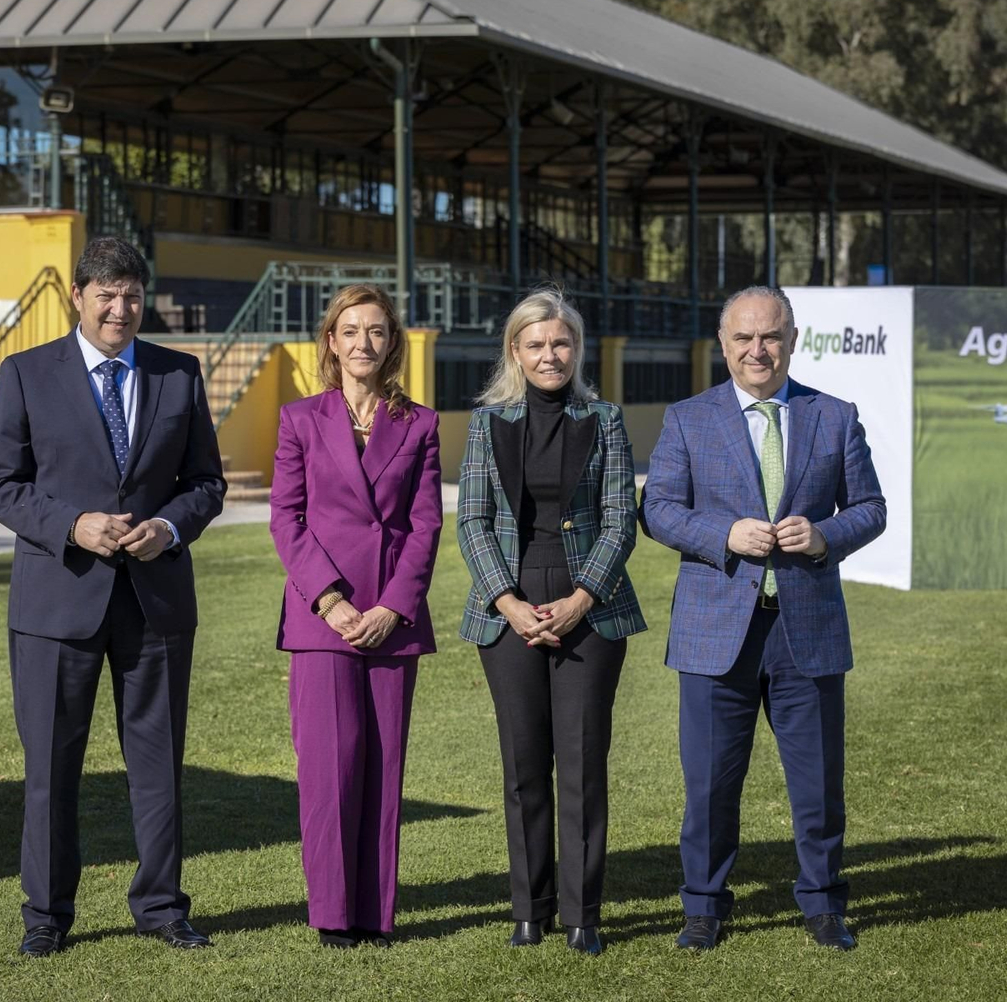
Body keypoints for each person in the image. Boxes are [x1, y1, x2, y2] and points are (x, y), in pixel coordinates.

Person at [0, 236, 227, 958]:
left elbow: (205, 483)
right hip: (58, 603)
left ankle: (161, 906)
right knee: (52, 768)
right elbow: (0, 483)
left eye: (132, 295)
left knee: (158, 764)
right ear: (77, 298)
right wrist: (72, 525)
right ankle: (47, 917)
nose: (121, 308)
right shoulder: (26, 374)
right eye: (107, 294)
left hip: (155, 604)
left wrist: (169, 527)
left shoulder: (179, 374)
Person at [639, 285, 886, 953]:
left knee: (818, 784)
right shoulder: (688, 419)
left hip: (807, 628)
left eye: (771, 336)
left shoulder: (834, 416)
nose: (758, 350)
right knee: (711, 784)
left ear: (793, 340)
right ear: (723, 344)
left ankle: (824, 903)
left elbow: (871, 506)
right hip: (715, 629)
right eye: (744, 338)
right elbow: (657, 507)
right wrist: (724, 533)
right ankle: (704, 906)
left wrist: (826, 535)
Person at [456, 289, 645, 957]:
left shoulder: (607, 419)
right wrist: (507, 602)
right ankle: (529, 910)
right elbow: (472, 521)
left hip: (588, 611)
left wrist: (581, 597)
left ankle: (581, 914)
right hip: (508, 610)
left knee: (583, 764)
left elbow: (622, 519)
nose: (549, 355)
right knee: (524, 765)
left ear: (576, 348)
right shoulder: (487, 425)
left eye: (560, 343)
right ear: (515, 350)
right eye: (535, 344)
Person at [269, 284, 443, 949]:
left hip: (391, 619)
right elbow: (287, 518)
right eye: (351, 330)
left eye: (376, 331)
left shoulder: (421, 424)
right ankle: (334, 914)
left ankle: (375, 911)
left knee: (382, 764)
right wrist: (333, 600)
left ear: (390, 342)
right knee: (329, 768)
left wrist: (393, 605)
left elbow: (425, 524)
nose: (363, 342)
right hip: (323, 619)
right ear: (331, 342)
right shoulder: (299, 420)